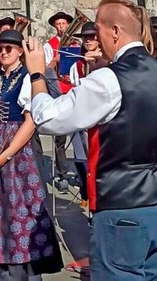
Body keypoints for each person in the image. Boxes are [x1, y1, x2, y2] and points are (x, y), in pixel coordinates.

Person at [26, 0, 157, 280]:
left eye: (97, 29)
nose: (94, 38)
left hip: (123, 209)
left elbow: (48, 118)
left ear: (115, 31)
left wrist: (38, 73)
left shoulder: (110, 80)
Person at [0, 29, 63, 280]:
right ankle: (4, 265)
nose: (3, 52)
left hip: (19, 155)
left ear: (21, 51)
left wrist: (7, 155)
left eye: (9, 48)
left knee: (22, 207)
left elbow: (31, 120)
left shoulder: (27, 79)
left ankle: (29, 269)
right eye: (0, 48)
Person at [67, 21, 109, 208]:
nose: (89, 40)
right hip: (83, 118)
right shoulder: (76, 66)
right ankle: (86, 194)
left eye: (92, 37)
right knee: (82, 160)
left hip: (103, 119)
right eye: (85, 37)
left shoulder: (108, 62)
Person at [41, 11, 76, 192]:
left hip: (76, 91)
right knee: (60, 138)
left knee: (79, 135)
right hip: (59, 92)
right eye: (59, 24)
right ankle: (62, 173)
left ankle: (80, 168)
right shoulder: (50, 45)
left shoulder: (77, 44)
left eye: (64, 24)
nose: (62, 27)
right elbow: (45, 69)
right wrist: (55, 60)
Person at [68, 21, 108, 86]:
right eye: (85, 37)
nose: (88, 40)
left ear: (98, 38)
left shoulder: (108, 60)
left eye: (91, 36)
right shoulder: (77, 65)